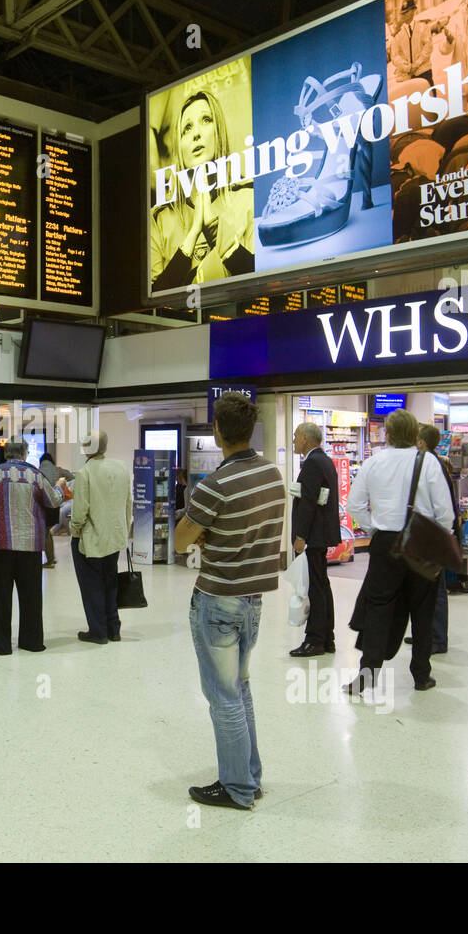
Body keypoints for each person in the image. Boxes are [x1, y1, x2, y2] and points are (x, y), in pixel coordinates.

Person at [174, 393, 285, 810]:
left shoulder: (215, 485)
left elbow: (184, 541)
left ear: (217, 431)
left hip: (218, 599)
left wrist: (204, 532)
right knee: (240, 688)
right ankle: (250, 777)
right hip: (253, 600)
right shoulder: (273, 475)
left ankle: (236, 788)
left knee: (223, 696)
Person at [346, 409, 456, 695]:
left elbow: (354, 505)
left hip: (385, 545)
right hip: (421, 544)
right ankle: (421, 675)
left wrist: (375, 529)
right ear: (415, 434)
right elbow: (445, 513)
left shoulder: (374, 462)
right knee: (423, 610)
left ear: (388, 433)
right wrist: (437, 540)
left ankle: (367, 675)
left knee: (378, 609)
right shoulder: (428, 463)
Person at [150, 88, 255, 293]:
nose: (196, 134)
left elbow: (262, 283)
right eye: (186, 128)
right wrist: (190, 241)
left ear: (220, 132)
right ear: (178, 146)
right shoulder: (159, 219)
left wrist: (217, 235)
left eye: (206, 120)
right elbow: (154, 302)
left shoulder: (248, 198)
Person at [0, 439, 61, 654]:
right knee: (31, 595)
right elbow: (54, 500)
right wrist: (59, 487)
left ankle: (0, 643)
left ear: (6, 454)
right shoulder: (36, 475)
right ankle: (31, 641)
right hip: (30, 546)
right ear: (25, 454)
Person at [69, 431, 133, 645]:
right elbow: (128, 502)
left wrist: (74, 531)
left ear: (87, 448)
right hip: (115, 536)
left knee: (92, 585)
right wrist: (124, 529)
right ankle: (113, 628)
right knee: (110, 581)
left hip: (91, 538)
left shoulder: (85, 472)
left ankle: (98, 631)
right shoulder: (121, 467)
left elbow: (79, 511)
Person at [404, 425, 460, 654]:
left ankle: (436, 638)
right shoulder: (434, 462)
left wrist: (441, 537)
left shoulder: (431, 464)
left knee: (435, 590)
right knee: (427, 589)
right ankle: (427, 634)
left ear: (421, 442)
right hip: (432, 534)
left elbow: (445, 509)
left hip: (432, 535)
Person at [288, 422, 341, 657]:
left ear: (307, 439)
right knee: (322, 585)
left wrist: (300, 536)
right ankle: (327, 638)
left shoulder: (312, 463)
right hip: (322, 533)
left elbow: (308, 502)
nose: (294, 440)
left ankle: (315, 640)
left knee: (315, 588)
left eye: (296, 436)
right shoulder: (325, 461)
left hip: (313, 535)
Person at [389, 0, 434, 83]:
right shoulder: (398, 34)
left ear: (414, 10)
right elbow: (395, 56)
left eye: (408, 11)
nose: (405, 15)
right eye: (403, 13)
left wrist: (416, 64)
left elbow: (428, 48)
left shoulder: (423, 27)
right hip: (408, 76)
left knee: (430, 94)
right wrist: (408, 67)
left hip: (424, 71)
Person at [38, 452, 70, 568]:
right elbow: (72, 476)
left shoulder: (38, 471)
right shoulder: (58, 470)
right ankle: (52, 558)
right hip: (56, 504)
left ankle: (50, 561)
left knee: (45, 533)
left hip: (44, 505)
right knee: (48, 532)